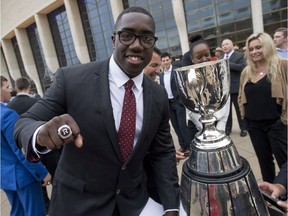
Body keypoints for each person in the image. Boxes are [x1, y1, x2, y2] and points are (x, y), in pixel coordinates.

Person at [14, 7, 180, 216]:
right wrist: (40, 134)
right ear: (113, 40)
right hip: (77, 205)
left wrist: (171, 205)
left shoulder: (158, 95)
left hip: (134, 204)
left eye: (146, 38)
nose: (137, 45)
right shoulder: (71, 80)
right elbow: (24, 122)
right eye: (127, 35)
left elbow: (162, 153)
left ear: (153, 43)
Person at [238, 32, 287, 183]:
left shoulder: (282, 65)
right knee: (264, 162)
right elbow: (242, 96)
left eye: (258, 47)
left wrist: (283, 120)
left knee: (285, 161)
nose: (254, 52)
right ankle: (270, 195)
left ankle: (284, 192)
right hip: (254, 126)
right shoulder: (247, 72)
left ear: (268, 46)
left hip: (277, 124)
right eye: (251, 49)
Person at [7, 77, 61, 213]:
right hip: (42, 157)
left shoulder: (10, 107)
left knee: (24, 206)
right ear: (29, 86)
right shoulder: (37, 102)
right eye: (6, 87)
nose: (8, 90)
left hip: (16, 168)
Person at [184, 34, 230, 135]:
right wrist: (207, 129)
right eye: (199, 57)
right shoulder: (189, 80)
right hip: (198, 126)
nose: (204, 59)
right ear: (192, 59)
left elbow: (226, 101)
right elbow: (190, 109)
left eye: (207, 55)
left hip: (219, 124)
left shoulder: (219, 74)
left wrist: (220, 128)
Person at [160, 51, 191, 157]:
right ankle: (183, 145)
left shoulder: (176, 71)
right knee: (176, 126)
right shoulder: (161, 75)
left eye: (167, 60)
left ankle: (189, 146)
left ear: (171, 60)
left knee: (183, 126)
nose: (165, 62)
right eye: (163, 61)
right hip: (169, 104)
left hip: (178, 102)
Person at [221, 38, 247, 137]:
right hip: (225, 90)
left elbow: (242, 67)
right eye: (223, 45)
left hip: (236, 88)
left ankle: (243, 128)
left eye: (227, 44)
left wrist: (227, 63)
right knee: (227, 112)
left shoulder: (240, 56)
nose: (225, 46)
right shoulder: (220, 58)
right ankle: (228, 129)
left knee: (239, 110)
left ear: (232, 45)